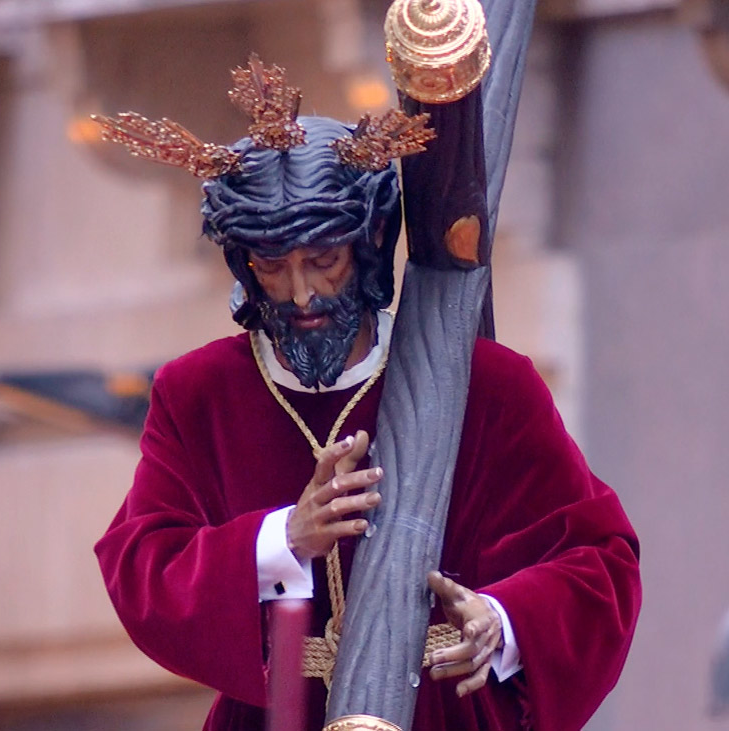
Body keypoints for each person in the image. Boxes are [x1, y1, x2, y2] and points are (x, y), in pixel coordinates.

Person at [93, 60, 641, 731]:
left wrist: (502, 620)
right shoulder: (200, 393)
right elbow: (143, 563)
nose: (301, 294)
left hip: (443, 709)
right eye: (273, 266)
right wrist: (281, 538)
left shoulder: (490, 386)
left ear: (371, 239)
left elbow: (598, 560)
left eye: (323, 259)